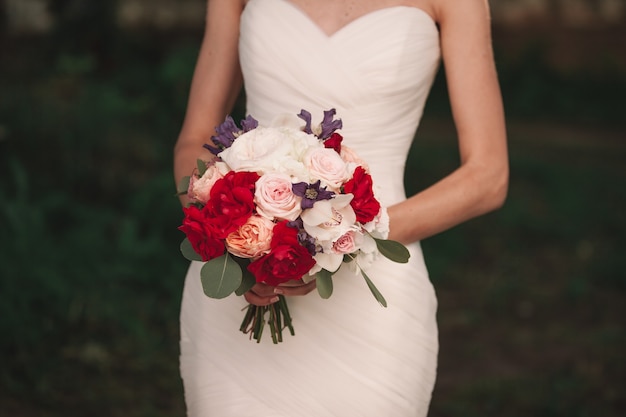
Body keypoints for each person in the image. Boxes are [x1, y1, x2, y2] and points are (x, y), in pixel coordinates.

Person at [173, 0, 508, 415]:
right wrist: (231, 233)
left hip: (375, 297)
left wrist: (331, 239)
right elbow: (194, 141)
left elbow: (488, 177)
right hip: (242, 285)